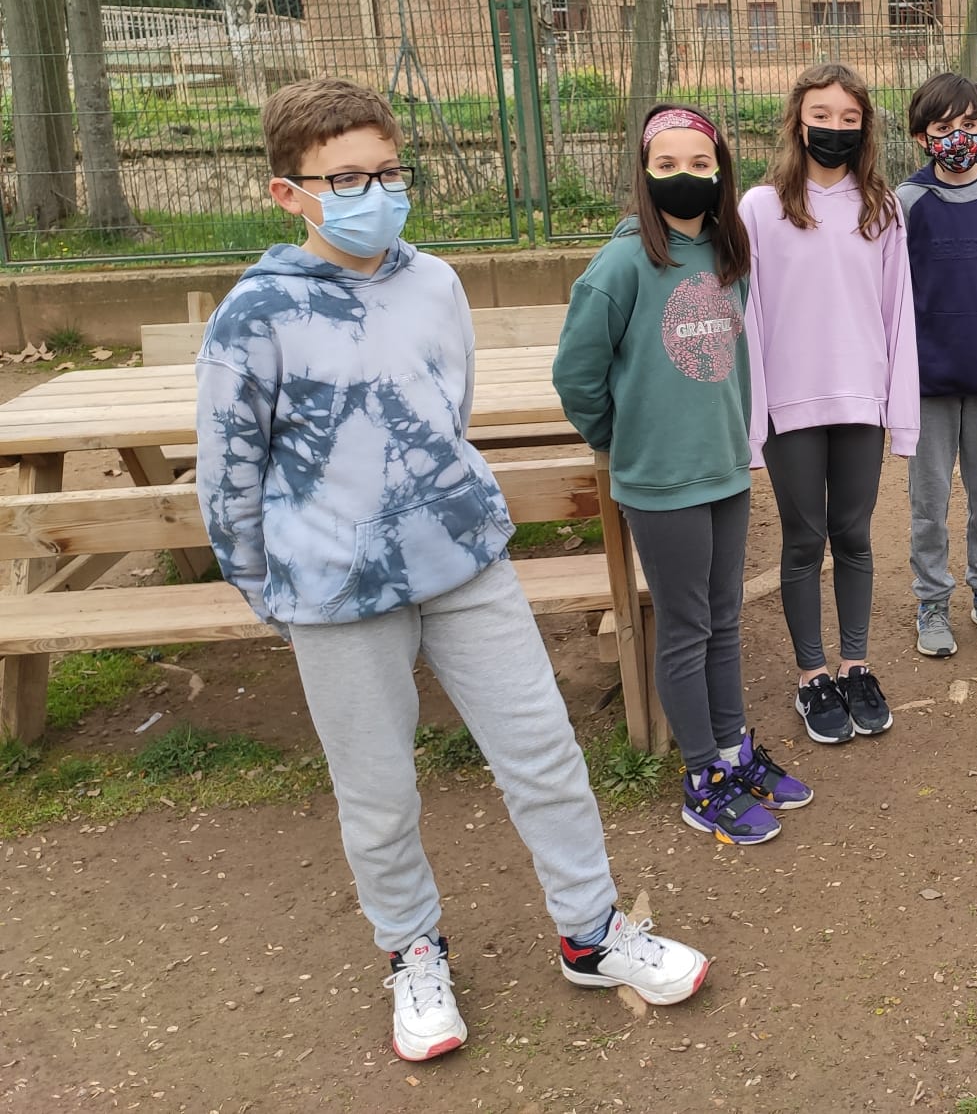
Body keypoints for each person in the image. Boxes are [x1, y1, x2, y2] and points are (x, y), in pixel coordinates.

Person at [194, 78, 708, 1066]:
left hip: (464, 565)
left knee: (544, 753)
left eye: (387, 172)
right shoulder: (253, 318)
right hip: (336, 596)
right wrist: (270, 588)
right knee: (378, 790)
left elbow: (446, 410)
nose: (373, 193)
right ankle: (412, 952)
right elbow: (229, 476)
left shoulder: (432, 283)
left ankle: (591, 933)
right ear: (286, 193)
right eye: (344, 178)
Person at [552, 103, 814, 847]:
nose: (684, 177)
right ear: (642, 173)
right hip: (659, 482)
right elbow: (576, 374)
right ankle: (702, 775)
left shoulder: (729, 257)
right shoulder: (623, 262)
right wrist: (622, 439)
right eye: (665, 165)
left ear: (721, 172)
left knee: (724, 618)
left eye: (700, 164)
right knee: (686, 626)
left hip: (725, 470)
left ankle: (733, 750)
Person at [741, 63, 920, 745]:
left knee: (853, 536)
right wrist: (753, 422)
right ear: (797, 120)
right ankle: (811, 674)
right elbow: (748, 318)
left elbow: (897, 314)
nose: (835, 128)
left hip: (861, 403)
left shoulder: (882, 209)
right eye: (822, 115)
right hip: (790, 404)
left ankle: (854, 665)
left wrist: (897, 413)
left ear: (864, 126)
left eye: (850, 118)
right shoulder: (759, 209)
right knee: (802, 538)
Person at [895, 72, 977, 658]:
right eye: (945, 127)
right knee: (929, 500)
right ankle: (931, 602)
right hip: (925, 381)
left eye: (969, 125)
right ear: (924, 137)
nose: (959, 136)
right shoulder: (906, 205)